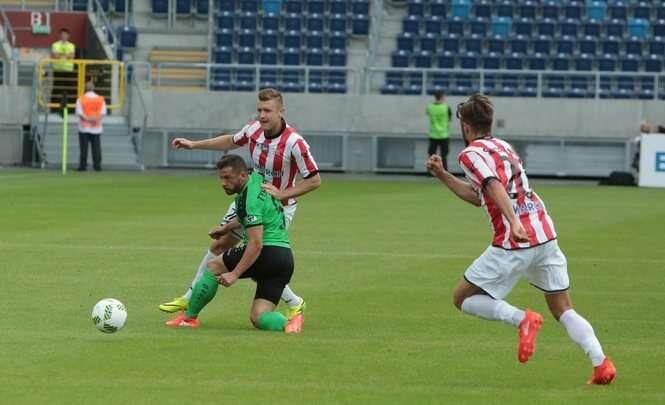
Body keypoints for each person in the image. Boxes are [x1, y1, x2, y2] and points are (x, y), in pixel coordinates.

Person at [425, 94, 616, 385]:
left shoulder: (470, 154)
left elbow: (492, 185)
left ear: (465, 126)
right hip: (544, 233)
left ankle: (522, 319)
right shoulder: (504, 146)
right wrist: (442, 175)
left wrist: (513, 221)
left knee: (462, 298)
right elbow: (479, 196)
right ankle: (601, 363)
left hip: (515, 239)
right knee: (563, 308)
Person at [159, 88, 321, 329]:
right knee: (219, 245)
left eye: (268, 111)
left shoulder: (294, 143)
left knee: (257, 257)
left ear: (281, 111)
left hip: (277, 210)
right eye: (259, 110)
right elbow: (231, 141)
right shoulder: (254, 129)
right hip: (247, 200)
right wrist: (194, 145)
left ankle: (294, 302)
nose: (262, 115)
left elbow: (315, 180)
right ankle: (190, 298)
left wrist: (282, 194)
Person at [167, 155, 302, 333]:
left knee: (213, 266)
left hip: (266, 253)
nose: (223, 183)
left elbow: (256, 243)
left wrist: (234, 274)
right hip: (284, 259)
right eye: (221, 178)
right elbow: (249, 215)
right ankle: (290, 324)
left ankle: (188, 318)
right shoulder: (257, 180)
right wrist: (225, 228)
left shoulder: (250, 200)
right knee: (259, 317)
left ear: (242, 175)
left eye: (228, 178)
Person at [75, 81, 107, 171]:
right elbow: (103, 112)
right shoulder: (100, 99)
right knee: (96, 147)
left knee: (84, 148)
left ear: (85, 89)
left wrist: (88, 119)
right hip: (96, 127)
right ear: (93, 88)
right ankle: (97, 166)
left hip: (84, 127)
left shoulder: (80, 99)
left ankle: (83, 166)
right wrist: (94, 119)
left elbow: (79, 113)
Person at [50, 28, 76, 110]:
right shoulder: (55, 45)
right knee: (57, 89)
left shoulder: (71, 45)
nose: (63, 36)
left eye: (65, 34)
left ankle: (70, 108)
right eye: (62, 34)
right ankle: (54, 108)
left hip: (69, 70)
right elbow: (55, 56)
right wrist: (66, 55)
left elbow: (72, 56)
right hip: (58, 70)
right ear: (59, 35)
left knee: (69, 90)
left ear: (68, 36)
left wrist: (60, 54)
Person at [426, 91, 452, 170]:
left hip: (433, 134)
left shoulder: (430, 107)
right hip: (444, 134)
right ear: (442, 97)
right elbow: (449, 119)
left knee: (431, 155)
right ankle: (444, 170)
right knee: (444, 155)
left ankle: (430, 170)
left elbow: (428, 114)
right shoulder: (446, 107)